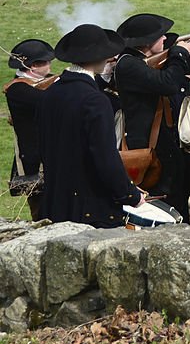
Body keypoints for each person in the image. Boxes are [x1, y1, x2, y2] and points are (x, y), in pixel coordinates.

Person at [37, 24, 144, 227]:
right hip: (89, 208)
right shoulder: (95, 100)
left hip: (55, 203)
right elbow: (105, 157)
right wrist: (130, 194)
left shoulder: (50, 93)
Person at [114, 13, 190, 220]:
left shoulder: (139, 62)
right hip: (152, 150)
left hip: (166, 146)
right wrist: (178, 54)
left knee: (179, 198)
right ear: (146, 42)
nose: (165, 39)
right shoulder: (128, 64)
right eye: (160, 36)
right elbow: (168, 83)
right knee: (164, 205)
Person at [3, 39, 55, 220]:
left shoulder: (46, 81)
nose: (50, 65)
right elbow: (48, 102)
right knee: (41, 210)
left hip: (51, 152)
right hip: (35, 158)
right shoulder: (18, 89)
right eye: (46, 62)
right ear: (33, 66)